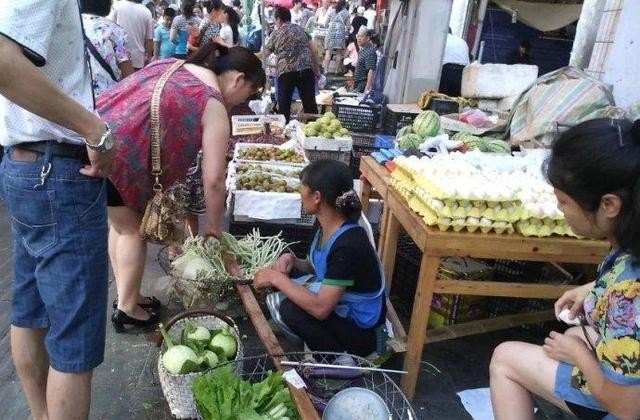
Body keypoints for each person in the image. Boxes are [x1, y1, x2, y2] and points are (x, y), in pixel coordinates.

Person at [97, 44, 265, 331]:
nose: (240, 102)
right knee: (131, 232)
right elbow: (213, 179)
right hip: (123, 157)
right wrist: (213, 226)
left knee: (120, 226)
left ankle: (129, 295)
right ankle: (126, 309)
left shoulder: (174, 65)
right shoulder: (212, 103)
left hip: (102, 142)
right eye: (248, 93)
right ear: (238, 79)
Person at [0, 0, 115, 418]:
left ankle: (40, 414)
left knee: (30, 307)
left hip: (27, 164)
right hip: (58, 171)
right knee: (73, 335)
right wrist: (94, 129)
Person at [489, 118, 640, 420]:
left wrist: (580, 357)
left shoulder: (629, 292)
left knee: (505, 358)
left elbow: (627, 407)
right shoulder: (630, 237)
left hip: (624, 404)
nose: (560, 210)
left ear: (609, 205)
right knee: (573, 336)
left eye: (564, 202)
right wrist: (592, 290)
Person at [254, 160, 387, 357]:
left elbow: (321, 309)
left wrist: (276, 279)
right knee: (285, 274)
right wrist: (292, 261)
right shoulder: (324, 224)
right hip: (339, 306)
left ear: (317, 197)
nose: (300, 194)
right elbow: (319, 266)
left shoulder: (348, 245)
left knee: (291, 310)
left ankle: (340, 361)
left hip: (361, 333)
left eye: (302, 188)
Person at [260, 6, 319, 122]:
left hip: (286, 72)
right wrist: (316, 70)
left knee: (284, 106)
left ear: (278, 19)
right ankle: (313, 133)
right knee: (310, 105)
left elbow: (265, 54)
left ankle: (284, 132)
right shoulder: (301, 30)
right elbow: (314, 50)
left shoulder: (276, 33)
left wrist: (251, 56)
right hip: (306, 69)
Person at [82, 0, 135, 96]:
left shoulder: (71, 26)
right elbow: (128, 75)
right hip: (108, 99)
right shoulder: (114, 30)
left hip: (76, 100)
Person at [109, 0, 155, 70]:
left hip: (119, 59)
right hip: (138, 60)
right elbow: (149, 41)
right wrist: (149, 59)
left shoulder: (118, 7)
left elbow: (109, 29)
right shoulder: (146, 12)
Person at [439, 28, 470, 97]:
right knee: (455, 99)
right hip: (461, 73)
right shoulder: (461, 41)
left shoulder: (441, 39)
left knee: (440, 97)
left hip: (446, 71)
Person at [323, 0, 350, 74]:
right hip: (340, 34)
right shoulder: (346, 13)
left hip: (331, 33)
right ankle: (336, 70)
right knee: (339, 52)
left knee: (328, 51)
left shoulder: (332, 11)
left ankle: (326, 70)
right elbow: (348, 26)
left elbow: (325, 23)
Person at [353, 29, 376, 93]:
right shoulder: (362, 50)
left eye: (361, 36)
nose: (358, 39)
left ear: (368, 38)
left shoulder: (370, 52)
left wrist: (367, 87)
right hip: (357, 83)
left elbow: (371, 70)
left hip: (363, 84)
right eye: (358, 36)